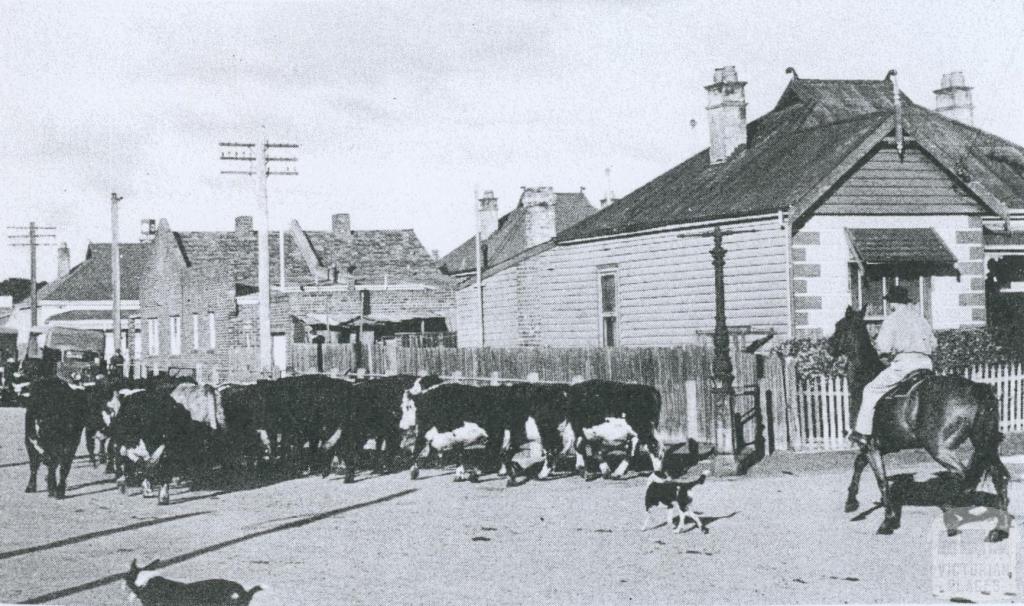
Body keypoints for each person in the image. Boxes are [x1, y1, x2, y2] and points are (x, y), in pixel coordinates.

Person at [849, 285, 937, 447]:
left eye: (889, 302)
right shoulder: (921, 319)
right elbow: (934, 344)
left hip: (905, 365)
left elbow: (883, 348)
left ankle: (862, 433)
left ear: (893, 303)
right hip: (926, 364)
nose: (889, 306)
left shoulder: (892, 319)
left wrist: (877, 343)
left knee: (870, 390)